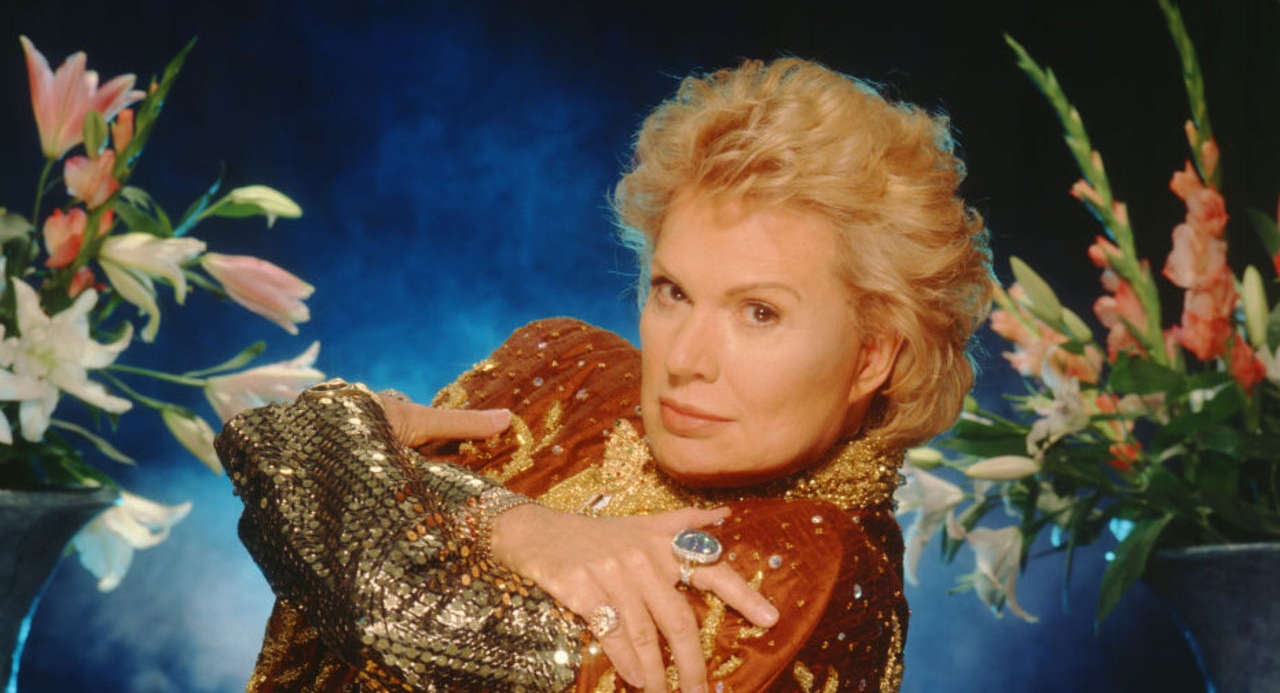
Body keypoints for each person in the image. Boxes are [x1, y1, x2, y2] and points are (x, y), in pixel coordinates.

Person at [216, 57, 993, 693]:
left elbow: (395, 618)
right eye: (673, 292)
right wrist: (513, 524)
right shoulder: (559, 365)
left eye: (759, 312)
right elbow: (264, 450)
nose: (685, 359)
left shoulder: (813, 570)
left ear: (871, 356)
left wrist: (368, 448)